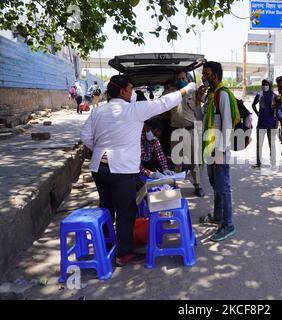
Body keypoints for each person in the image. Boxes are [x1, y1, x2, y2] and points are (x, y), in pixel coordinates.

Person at [80, 74, 196, 266]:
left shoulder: (98, 111)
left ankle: (107, 245)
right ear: (123, 91)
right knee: (126, 211)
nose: (132, 92)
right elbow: (163, 103)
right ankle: (124, 254)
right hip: (122, 169)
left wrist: (101, 150)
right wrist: (185, 90)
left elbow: (85, 136)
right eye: (131, 89)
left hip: (98, 168)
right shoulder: (134, 110)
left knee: (106, 207)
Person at [197, 61, 240, 242]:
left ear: (215, 75)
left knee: (224, 188)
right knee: (216, 186)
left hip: (219, 150)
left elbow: (228, 125)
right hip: (210, 148)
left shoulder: (222, 95)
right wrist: (199, 101)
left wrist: (221, 153)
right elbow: (201, 118)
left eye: (206, 74)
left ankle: (228, 224)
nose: (203, 77)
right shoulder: (210, 95)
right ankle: (218, 215)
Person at [170, 70, 205, 197]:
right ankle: (176, 187)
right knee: (177, 162)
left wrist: (200, 93)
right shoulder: (171, 93)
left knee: (194, 160)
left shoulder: (193, 92)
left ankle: (198, 186)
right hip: (176, 131)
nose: (181, 80)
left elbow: (200, 105)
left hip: (191, 130)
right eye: (178, 78)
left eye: (183, 78)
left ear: (188, 79)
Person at [251, 79, 278, 168]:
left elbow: (278, 111)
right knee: (259, 145)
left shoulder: (275, 96)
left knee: (272, 145)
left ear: (270, 85)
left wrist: (277, 123)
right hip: (261, 123)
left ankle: (273, 163)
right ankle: (258, 163)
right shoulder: (259, 94)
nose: (265, 85)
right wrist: (257, 113)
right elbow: (253, 105)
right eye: (263, 84)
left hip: (272, 124)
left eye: (266, 84)